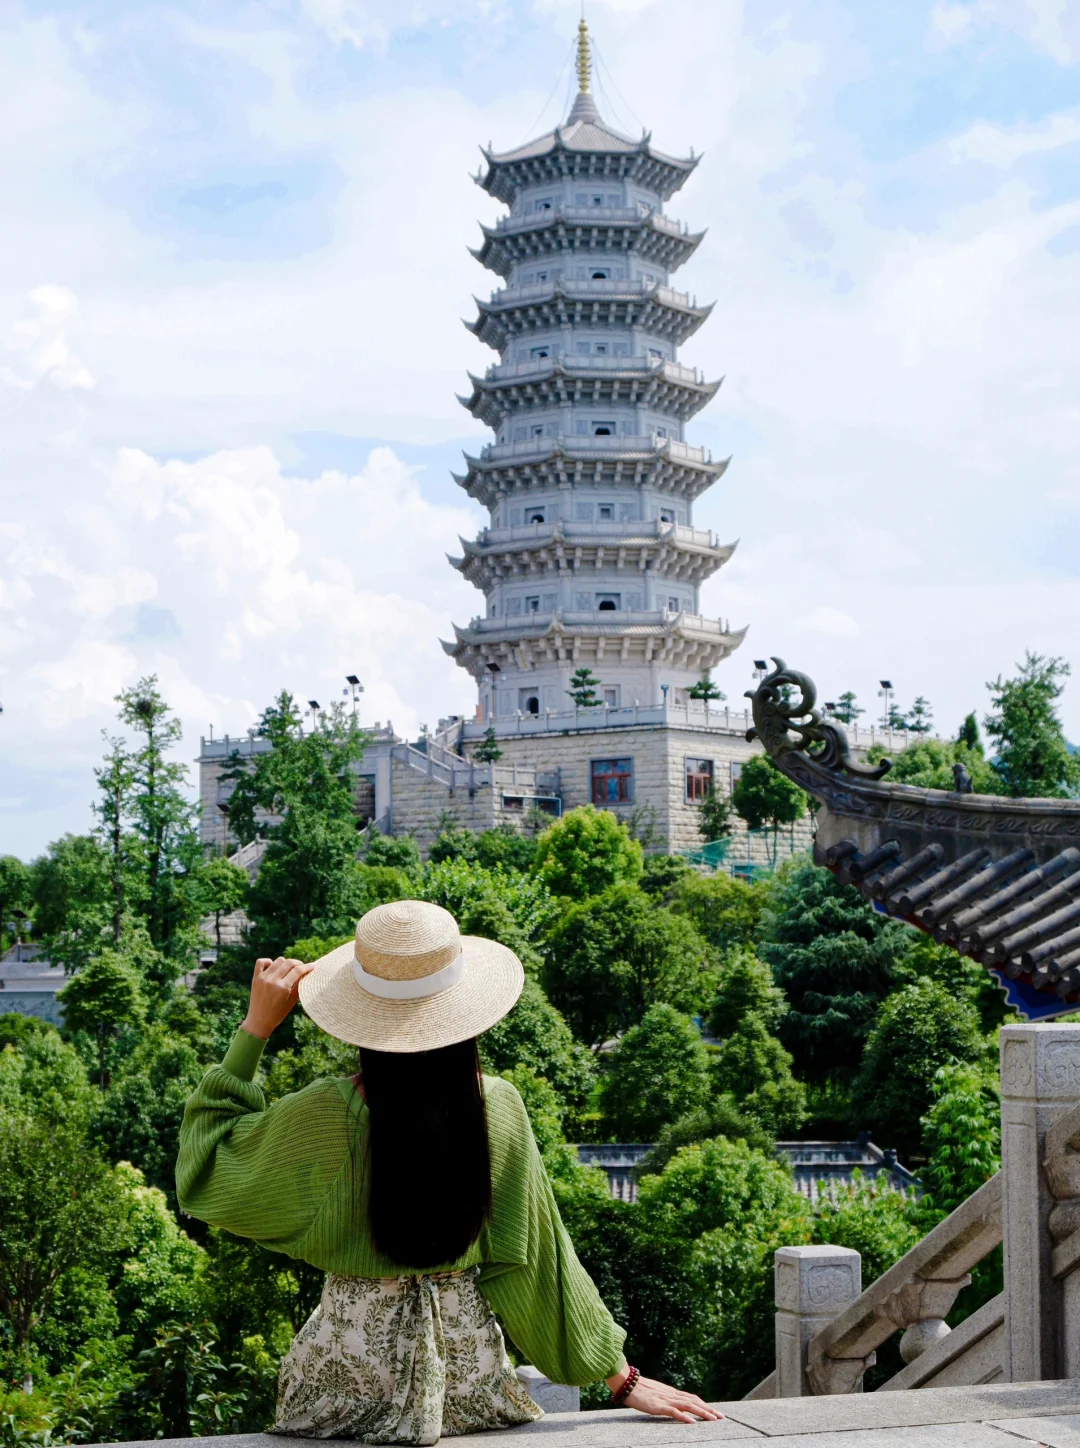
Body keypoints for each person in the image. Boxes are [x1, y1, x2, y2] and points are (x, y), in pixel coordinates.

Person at [177, 899, 720, 1445]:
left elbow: (205, 1168)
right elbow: (538, 1260)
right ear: (464, 1010)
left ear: (359, 1012)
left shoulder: (323, 1115)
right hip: (465, 1393)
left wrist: (255, 1029)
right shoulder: (497, 1109)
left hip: (338, 1393)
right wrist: (622, 1381)